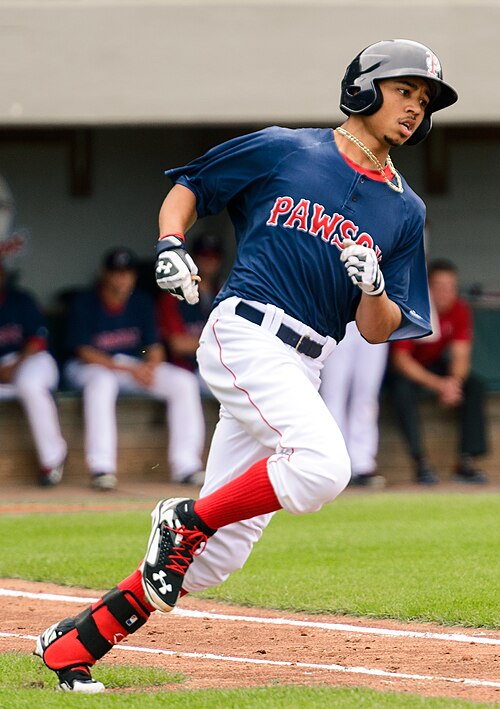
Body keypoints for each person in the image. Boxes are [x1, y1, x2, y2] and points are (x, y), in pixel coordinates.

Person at [35, 39, 457, 692]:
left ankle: (76, 643)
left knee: (211, 559)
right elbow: (191, 187)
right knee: (322, 465)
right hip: (246, 332)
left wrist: (374, 286)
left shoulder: (405, 210)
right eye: (405, 91)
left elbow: (379, 330)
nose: (414, 109)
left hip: (309, 360)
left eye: (423, 101)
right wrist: (170, 243)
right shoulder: (288, 149)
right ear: (365, 88)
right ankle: (187, 518)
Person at [62, 246, 206, 490]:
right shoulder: (86, 301)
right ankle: (102, 468)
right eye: (117, 272)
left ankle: (187, 466)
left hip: (129, 367)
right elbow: (84, 351)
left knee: (184, 382)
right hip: (89, 367)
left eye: (127, 272)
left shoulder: (140, 301)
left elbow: (154, 346)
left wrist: (151, 366)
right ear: (105, 274)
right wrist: (132, 370)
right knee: (101, 383)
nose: (122, 278)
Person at [389, 259, 488, 485]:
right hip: (410, 370)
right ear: (428, 287)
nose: (445, 293)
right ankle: (420, 462)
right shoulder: (414, 306)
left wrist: (453, 382)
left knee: (474, 386)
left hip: (436, 364)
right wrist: (439, 385)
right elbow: (401, 361)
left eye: (450, 287)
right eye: (439, 286)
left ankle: (465, 462)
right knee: (401, 391)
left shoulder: (459, 309)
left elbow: (461, 354)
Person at [0, 257, 67, 486]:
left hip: (31, 361)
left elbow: (37, 341)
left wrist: (14, 366)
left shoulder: (21, 300)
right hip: (4, 372)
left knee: (29, 385)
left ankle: (52, 459)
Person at [319, 320, 389, 487]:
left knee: (367, 395)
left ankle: (362, 463)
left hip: (375, 311)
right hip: (339, 314)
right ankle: (334, 460)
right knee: (333, 394)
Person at [156, 232, 225, 395]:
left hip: (217, 367)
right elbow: (178, 345)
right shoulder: (174, 293)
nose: (209, 261)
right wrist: (222, 346)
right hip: (185, 369)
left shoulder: (225, 293)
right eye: (204, 255)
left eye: (214, 256)